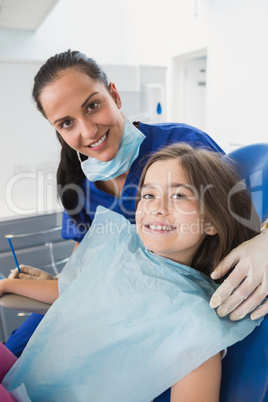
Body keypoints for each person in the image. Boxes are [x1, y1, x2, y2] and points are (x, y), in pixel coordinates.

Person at [5, 49, 268, 358]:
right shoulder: (76, 180)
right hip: (116, 302)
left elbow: (236, 214)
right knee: (16, 352)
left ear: (114, 95)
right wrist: (64, 280)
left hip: (182, 305)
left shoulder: (183, 145)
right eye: (66, 123)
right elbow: (88, 255)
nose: (87, 131)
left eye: (93, 105)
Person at [1, 144, 263, 401]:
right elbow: (75, 291)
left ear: (211, 222)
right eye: (148, 195)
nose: (156, 208)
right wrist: (7, 286)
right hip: (25, 386)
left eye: (179, 196)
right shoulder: (125, 249)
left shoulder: (194, 324)